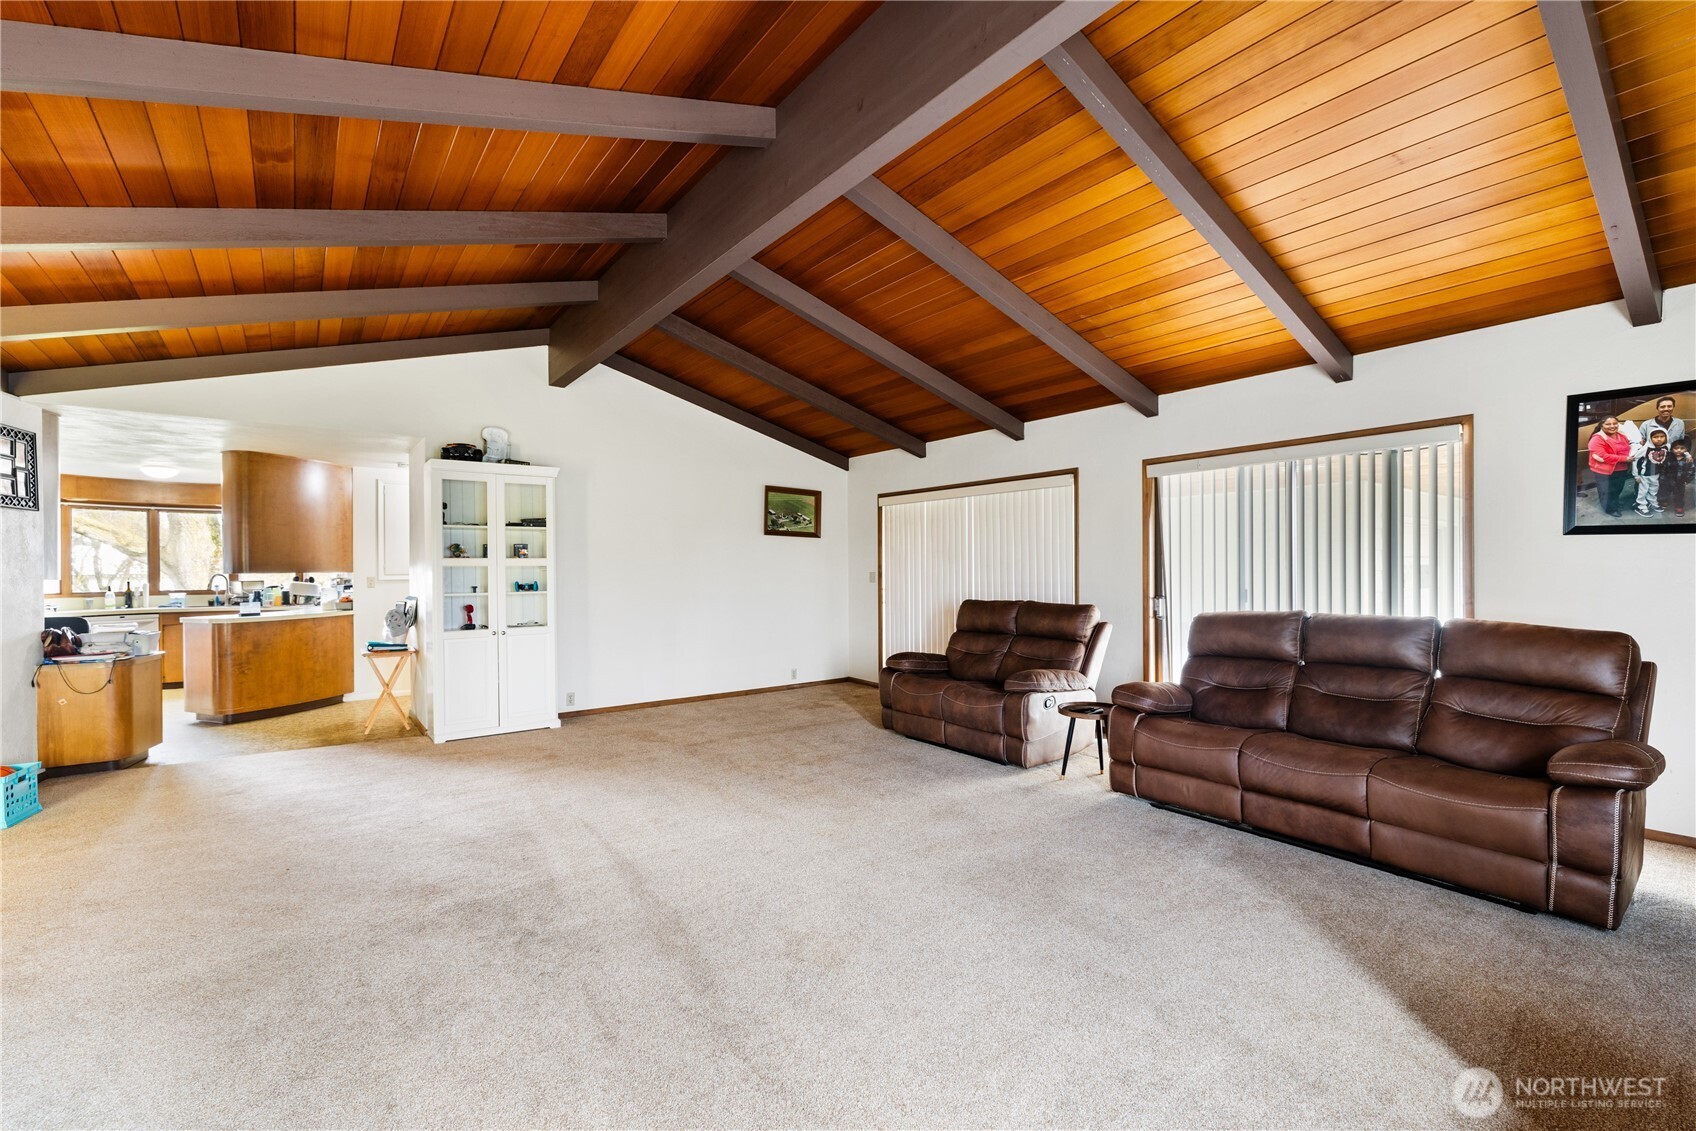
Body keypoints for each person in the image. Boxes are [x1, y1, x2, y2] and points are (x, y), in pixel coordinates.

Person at [1587, 415, 1633, 517]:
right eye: (1608, 424)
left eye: (1615, 423)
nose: (1612, 426)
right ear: (1601, 425)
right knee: (1606, 490)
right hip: (1604, 470)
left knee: (1618, 488)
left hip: (1621, 468)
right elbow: (1602, 455)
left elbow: (1628, 445)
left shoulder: (1621, 435)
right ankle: (1609, 509)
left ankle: (1614, 503)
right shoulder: (1597, 438)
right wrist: (1624, 459)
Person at [1632, 426, 1671, 516]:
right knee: (1643, 491)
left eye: (1662, 436)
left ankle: (1652, 502)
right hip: (1645, 474)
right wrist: (1636, 475)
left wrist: (1687, 455)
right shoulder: (1646, 448)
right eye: (1655, 437)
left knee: (1654, 490)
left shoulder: (1667, 446)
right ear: (1650, 438)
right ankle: (1641, 506)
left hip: (1656, 473)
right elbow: (1635, 460)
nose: (1659, 439)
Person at [1663, 437, 1694, 517]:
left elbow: (1691, 470)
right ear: (1672, 449)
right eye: (1676, 448)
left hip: (1680, 481)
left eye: (1682, 448)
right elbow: (1664, 468)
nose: (1679, 450)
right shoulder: (1669, 457)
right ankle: (1664, 500)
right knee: (1665, 491)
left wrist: (1687, 480)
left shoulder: (1687, 459)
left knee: (1679, 494)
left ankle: (1679, 507)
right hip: (1669, 479)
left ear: (1686, 449)